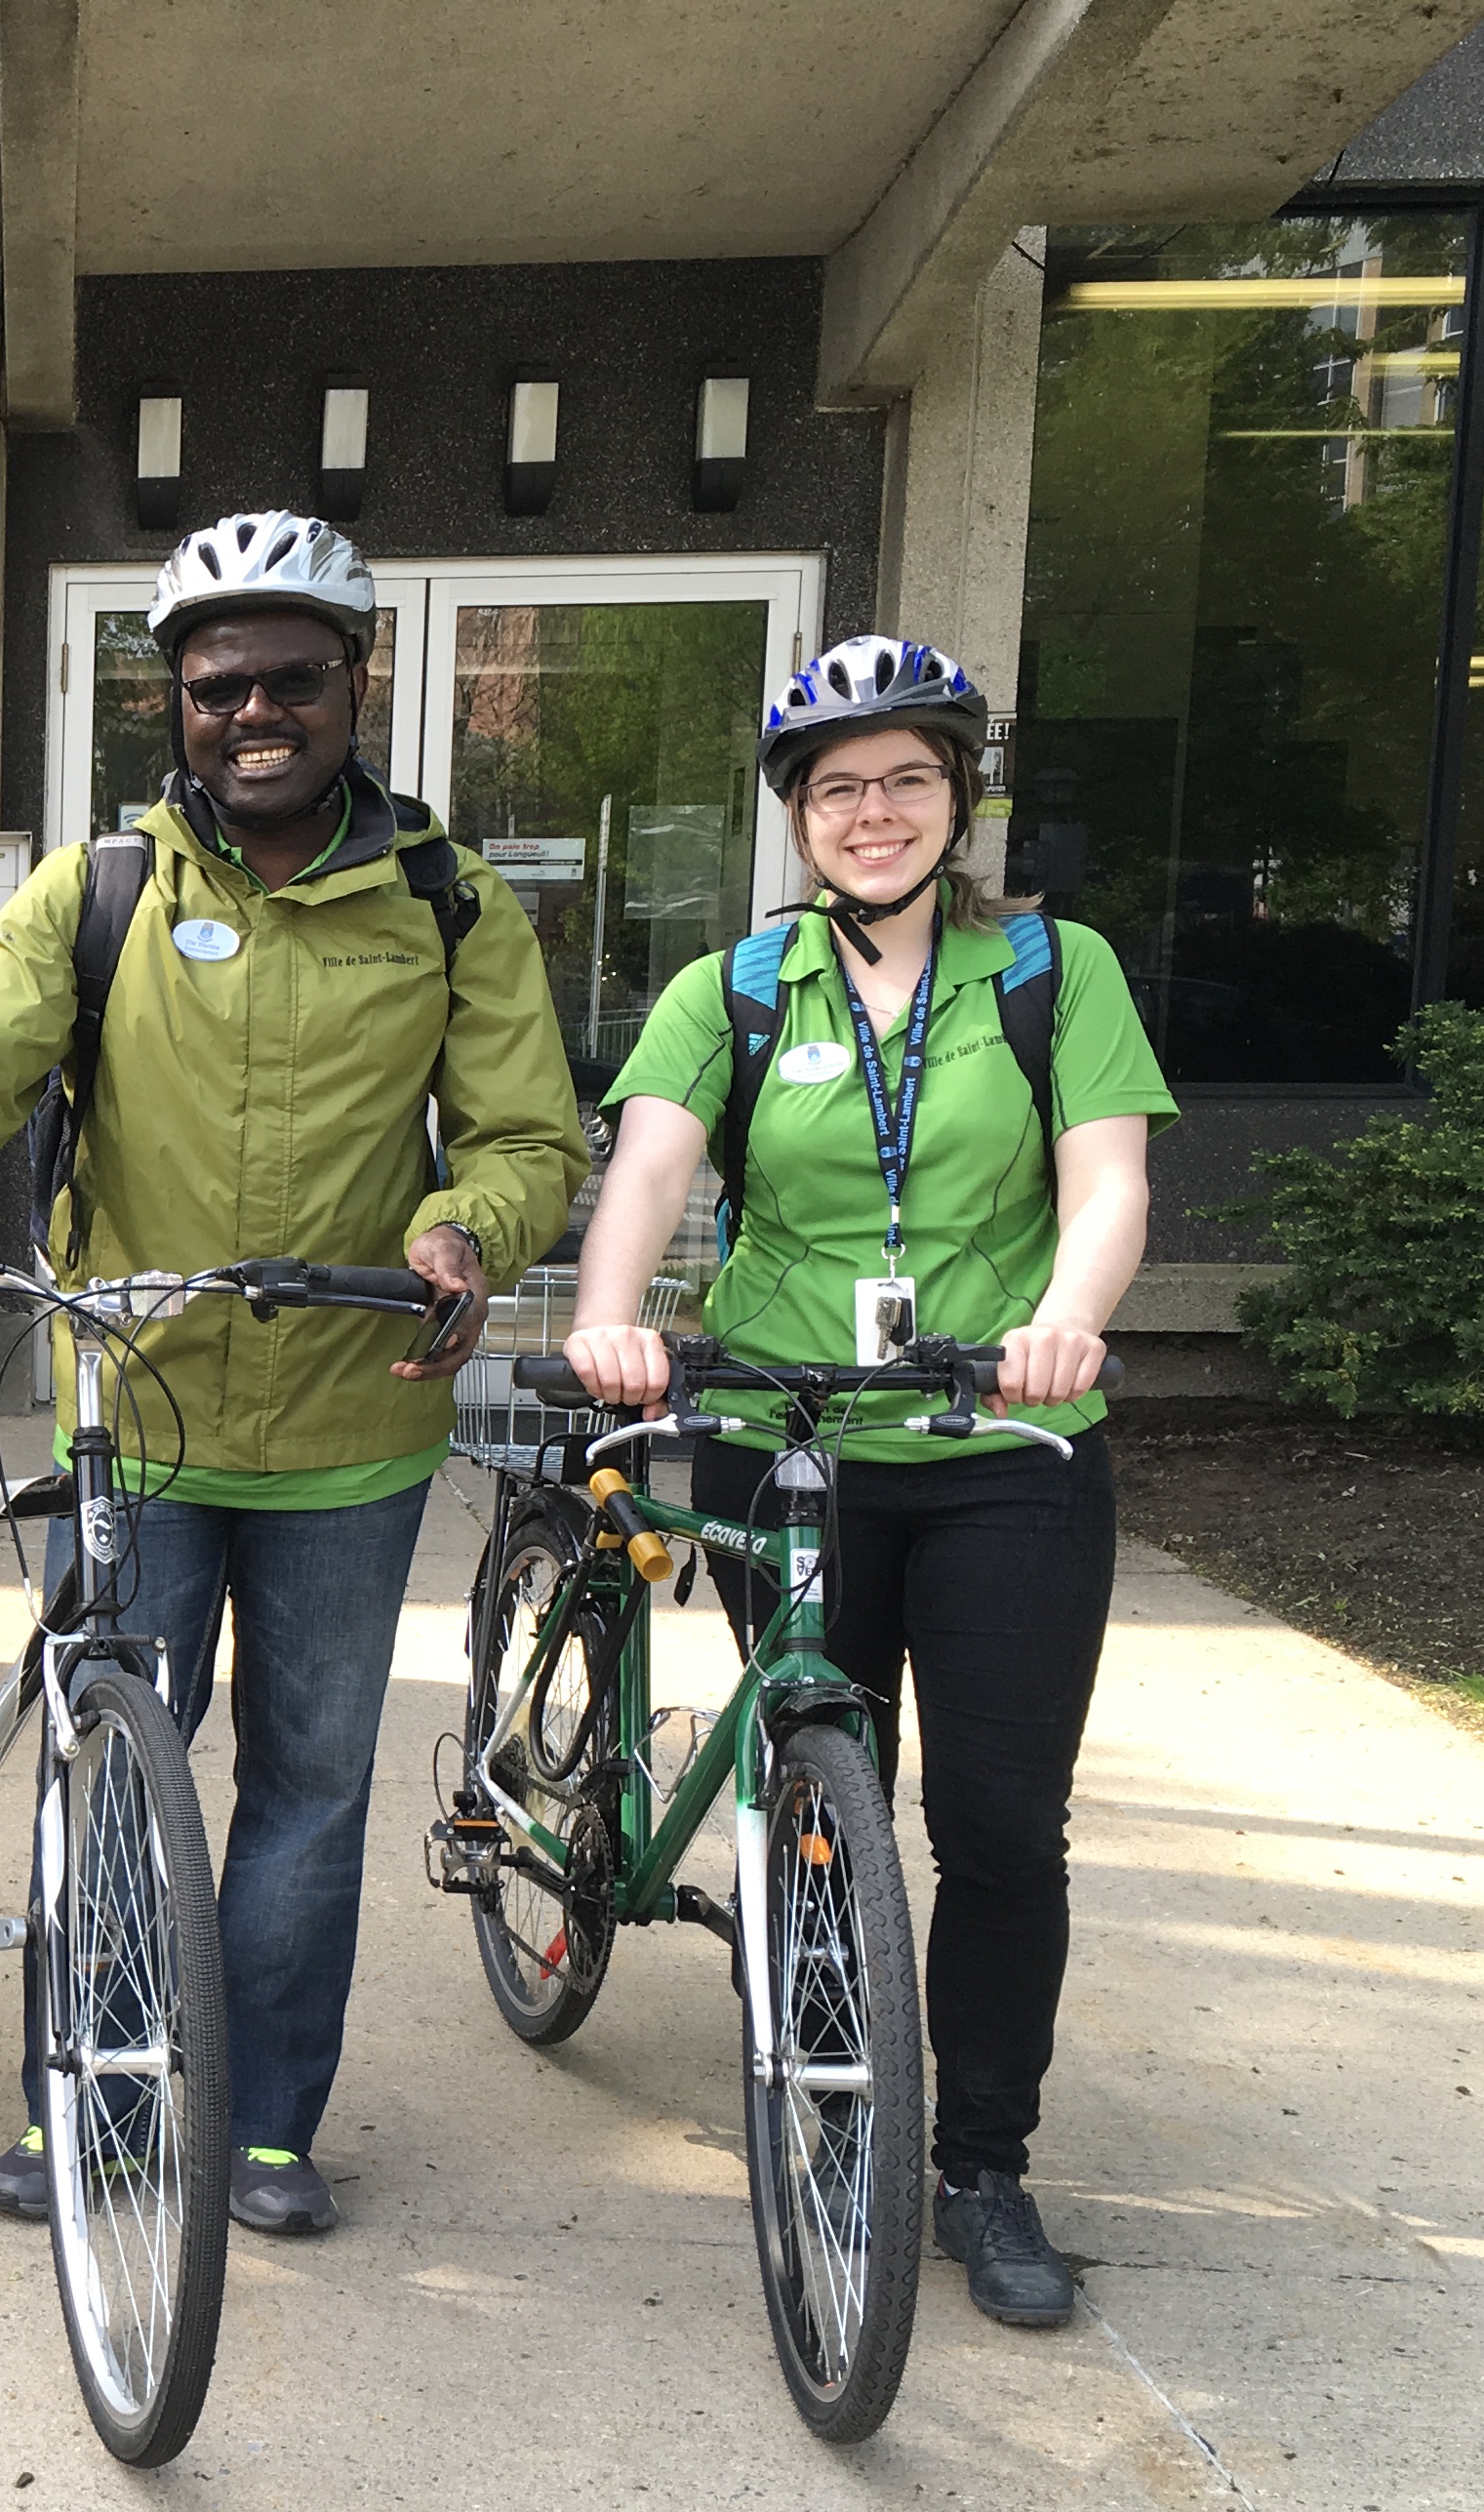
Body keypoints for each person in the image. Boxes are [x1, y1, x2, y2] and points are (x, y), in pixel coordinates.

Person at [0, 510, 588, 2236]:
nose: (256, 711)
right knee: (113, 1765)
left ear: (356, 687)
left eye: (293, 678)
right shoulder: (105, 891)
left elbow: (524, 1132)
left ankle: (269, 2125)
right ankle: (92, 2098)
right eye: (220, 686)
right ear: (177, 704)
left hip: (351, 1430)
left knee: (308, 1785)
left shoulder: (444, 899)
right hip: (130, 1412)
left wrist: (466, 1229)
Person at [559, 633, 1176, 2329]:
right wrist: (614, 1321)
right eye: (840, 788)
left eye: (909, 778)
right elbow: (652, 1166)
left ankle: (979, 2162)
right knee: (818, 1801)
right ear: (799, 819)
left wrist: (1065, 1323)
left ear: (959, 799)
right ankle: (831, 2101)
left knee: (995, 1827)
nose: (875, 812)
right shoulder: (736, 991)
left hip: (999, 1441)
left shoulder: (1055, 972)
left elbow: (1106, 1180)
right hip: (788, 1433)